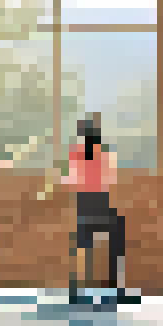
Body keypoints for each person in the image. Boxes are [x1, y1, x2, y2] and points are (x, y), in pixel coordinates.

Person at [64, 113, 126, 303]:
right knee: (116, 237)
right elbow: (110, 179)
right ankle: (116, 285)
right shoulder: (103, 155)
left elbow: (72, 181)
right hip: (99, 203)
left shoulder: (76, 155)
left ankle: (76, 287)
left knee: (82, 245)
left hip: (83, 205)